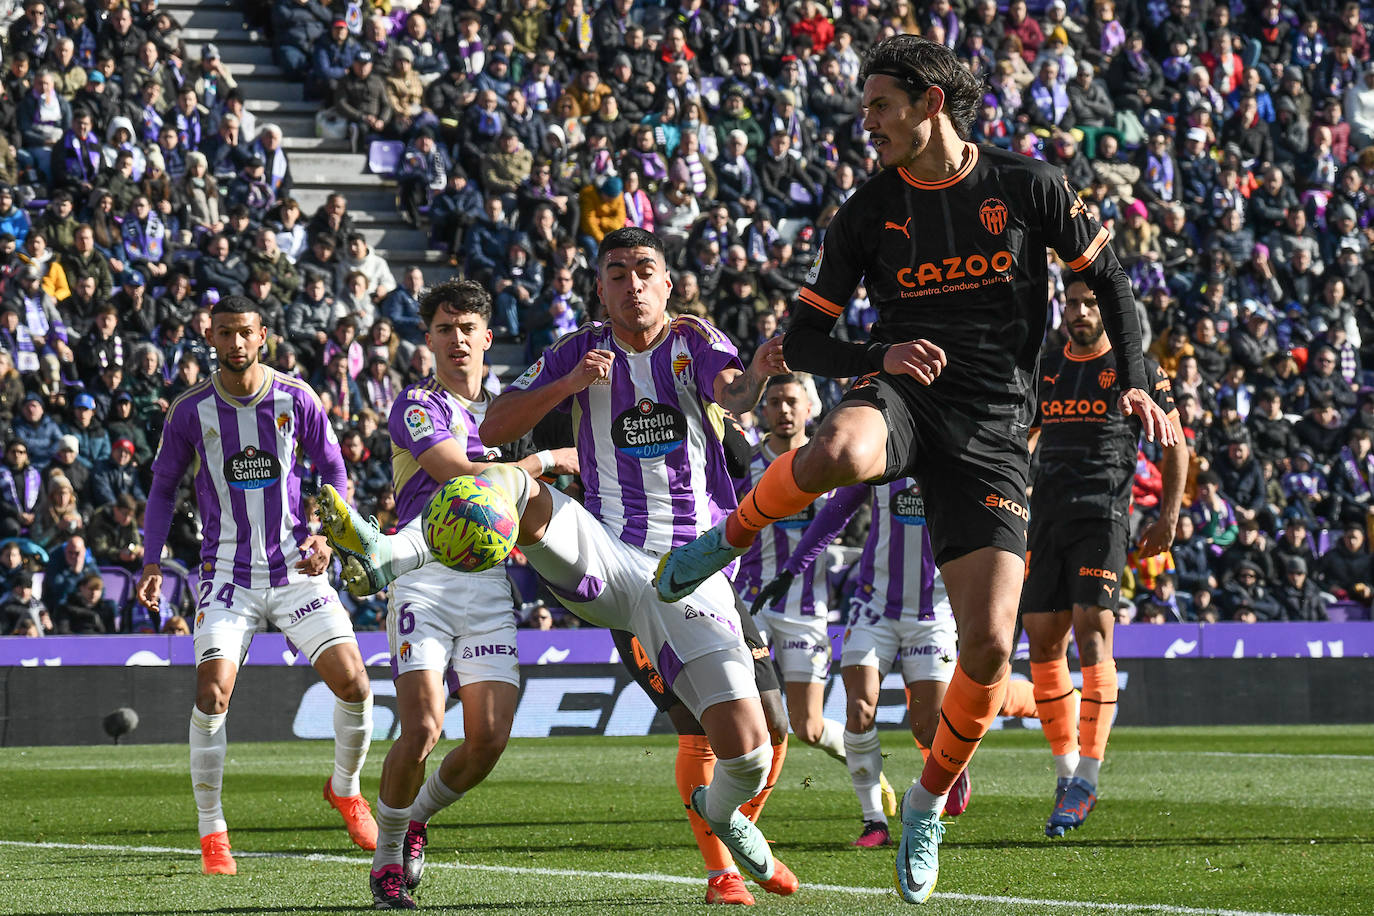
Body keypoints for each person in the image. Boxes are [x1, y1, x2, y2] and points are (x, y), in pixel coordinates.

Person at [654, 35, 1176, 904]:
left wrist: (1133, 381)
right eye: (865, 108)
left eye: (880, 106)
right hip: (900, 393)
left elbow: (1110, 282)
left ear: (931, 104)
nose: (868, 123)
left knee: (990, 644)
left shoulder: (1029, 186)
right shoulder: (865, 212)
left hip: (997, 427)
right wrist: (880, 349)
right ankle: (729, 535)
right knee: (837, 451)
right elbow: (806, 337)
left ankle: (927, 801)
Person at [316, 227, 800, 902]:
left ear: (667, 283)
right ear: (599, 289)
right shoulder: (575, 350)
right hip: (605, 557)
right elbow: (492, 430)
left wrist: (758, 375)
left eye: (644, 271)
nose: (632, 284)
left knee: (750, 750)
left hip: (690, 572)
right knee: (514, 490)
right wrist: (571, 383)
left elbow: (735, 392)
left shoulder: (694, 339)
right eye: (617, 274)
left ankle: (722, 815)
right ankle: (390, 552)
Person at [320, 279, 577, 909]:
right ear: (429, 339)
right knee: (424, 728)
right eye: (444, 329)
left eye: (468, 329)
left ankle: (414, 821)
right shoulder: (418, 405)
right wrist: (543, 462)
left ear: (488, 337)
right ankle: (385, 863)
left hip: (488, 582)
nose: (457, 340)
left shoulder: (504, 414)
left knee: (488, 740)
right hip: (423, 579)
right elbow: (457, 474)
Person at [134, 295, 378, 877]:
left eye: (244, 332)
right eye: (224, 334)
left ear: (262, 334)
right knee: (212, 693)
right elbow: (164, 488)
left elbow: (334, 471)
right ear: (210, 338)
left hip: (297, 568)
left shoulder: (298, 398)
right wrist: (149, 562)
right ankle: (213, 831)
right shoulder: (190, 410)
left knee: (355, 683)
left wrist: (327, 534)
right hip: (226, 575)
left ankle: (345, 789)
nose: (236, 343)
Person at [1020, 277, 1187, 837]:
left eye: (1091, 303)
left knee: (1093, 632)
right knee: (1042, 637)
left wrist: (1167, 516)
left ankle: (1088, 776)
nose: (1081, 311)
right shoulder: (1047, 365)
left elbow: (1175, 443)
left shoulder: (1133, 369)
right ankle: (1066, 772)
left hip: (1102, 514)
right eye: (1073, 303)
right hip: (1046, 515)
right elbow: (1028, 435)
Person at [733, 374, 853, 769]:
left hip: (807, 608)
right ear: (763, 410)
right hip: (752, 605)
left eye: (792, 402)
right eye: (776, 402)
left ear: (808, 409)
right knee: (755, 714)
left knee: (809, 728)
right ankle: (744, 811)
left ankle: (867, 766)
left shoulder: (829, 464)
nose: (784, 410)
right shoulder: (743, 466)